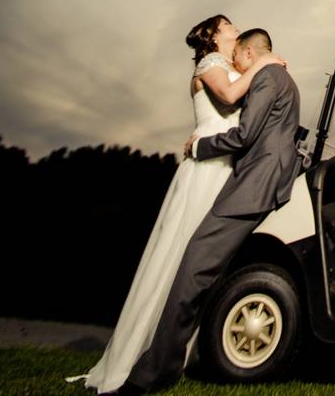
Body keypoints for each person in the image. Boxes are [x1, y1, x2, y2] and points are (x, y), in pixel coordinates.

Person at [69, 15, 286, 394]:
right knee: (182, 255)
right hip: (205, 170)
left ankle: (176, 351)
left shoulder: (232, 65)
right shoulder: (211, 64)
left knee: (199, 262)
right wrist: (266, 63)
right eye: (228, 26)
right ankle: (139, 355)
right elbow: (232, 98)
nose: (234, 28)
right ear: (216, 36)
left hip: (224, 171)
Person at [120, 27, 301, 395]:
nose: (235, 65)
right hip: (263, 181)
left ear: (249, 53)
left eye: (238, 59)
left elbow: (245, 135)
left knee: (193, 266)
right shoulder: (281, 77)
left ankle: (153, 373)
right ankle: (176, 360)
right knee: (206, 267)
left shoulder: (268, 76)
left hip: (254, 185)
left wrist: (200, 147)